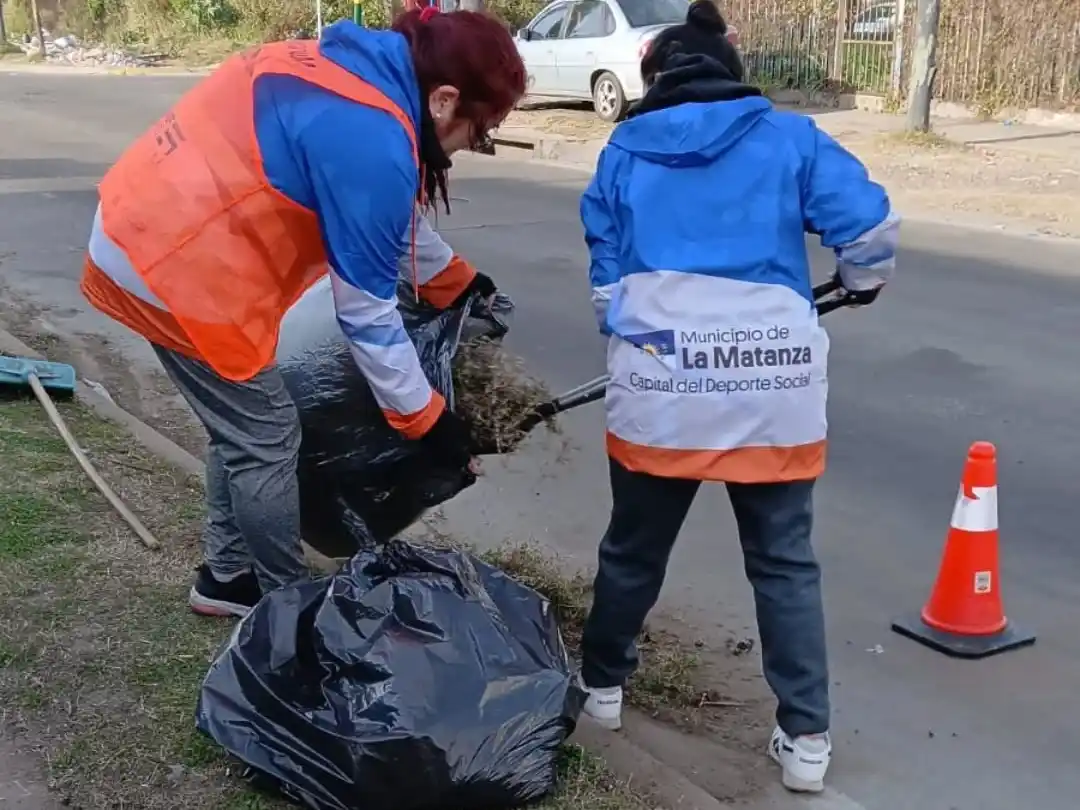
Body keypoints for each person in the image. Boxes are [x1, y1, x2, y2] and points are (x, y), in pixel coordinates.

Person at [80, 8, 525, 618]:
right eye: (480, 129)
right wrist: (429, 421)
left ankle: (225, 576)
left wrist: (457, 281)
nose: (476, 144)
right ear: (445, 100)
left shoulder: (352, 73)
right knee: (266, 438)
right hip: (169, 263)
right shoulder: (374, 138)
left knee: (240, 427)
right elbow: (367, 317)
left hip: (151, 227)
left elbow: (387, 217)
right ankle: (283, 608)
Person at [575, 0, 899, 794]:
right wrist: (858, 286)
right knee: (784, 563)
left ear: (653, 79)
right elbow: (870, 236)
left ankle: (603, 692)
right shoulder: (790, 139)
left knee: (634, 549)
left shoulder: (623, 150)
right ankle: (806, 741)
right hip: (771, 388)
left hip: (663, 387)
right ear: (730, 71)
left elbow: (607, 294)